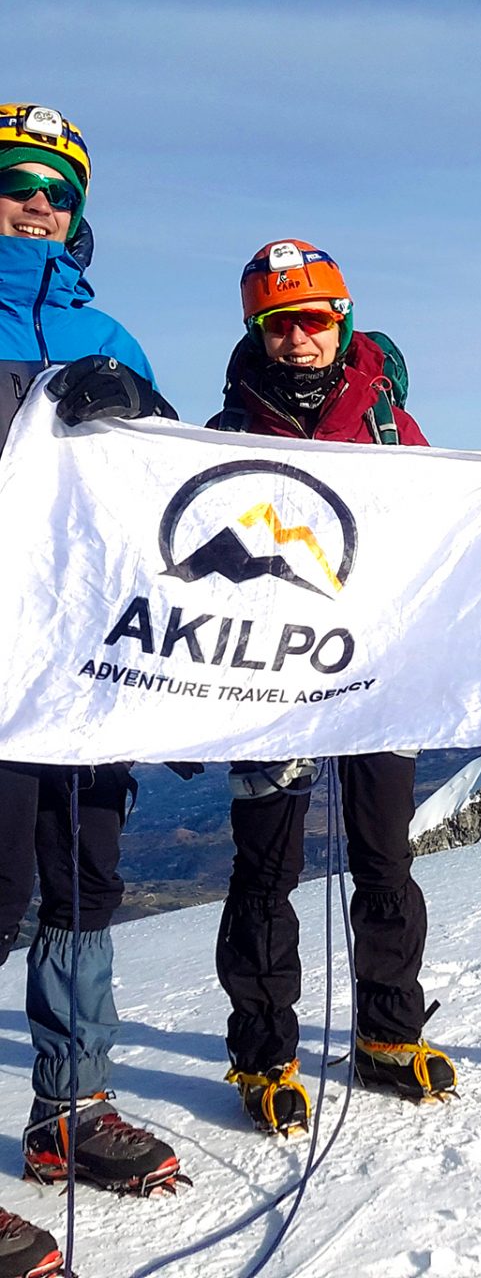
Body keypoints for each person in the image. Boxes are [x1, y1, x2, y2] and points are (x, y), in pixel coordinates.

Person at [208, 239, 481, 1135]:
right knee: (267, 869)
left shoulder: (390, 429)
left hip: (379, 676)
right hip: (269, 686)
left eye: (314, 320)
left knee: (383, 858)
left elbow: (447, 526)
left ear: (343, 322)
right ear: (257, 330)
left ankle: (388, 1034)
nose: (298, 340)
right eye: (279, 324)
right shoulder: (222, 438)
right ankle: (263, 1053)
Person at [0, 104, 186, 1267]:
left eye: (57, 190)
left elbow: (174, 498)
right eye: (16, 181)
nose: (37, 203)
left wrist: (142, 412)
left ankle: (70, 1112)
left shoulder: (109, 328)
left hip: (87, 661)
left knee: (83, 880)